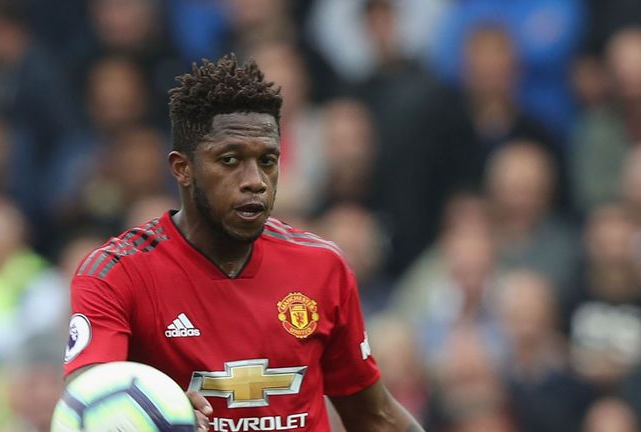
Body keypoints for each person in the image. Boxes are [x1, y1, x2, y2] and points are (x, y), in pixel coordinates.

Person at [62, 54, 424, 432]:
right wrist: (153, 409)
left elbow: (375, 416)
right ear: (182, 169)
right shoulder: (116, 274)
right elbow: (87, 401)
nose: (255, 180)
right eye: (230, 159)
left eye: (267, 160)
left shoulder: (321, 266)